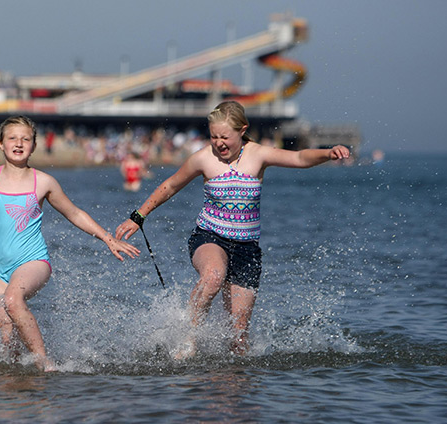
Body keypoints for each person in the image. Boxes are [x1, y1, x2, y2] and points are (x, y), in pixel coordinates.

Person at [115, 101, 350, 357]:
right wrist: (139, 216)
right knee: (214, 275)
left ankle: (231, 387)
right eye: (214, 136)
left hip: (246, 249)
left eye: (224, 137)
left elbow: (298, 157)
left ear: (242, 130)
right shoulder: (203, 159)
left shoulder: (258, 155)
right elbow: (170, 186)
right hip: (209, 237)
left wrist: (327, 153)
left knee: (238, 339)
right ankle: (188, 335)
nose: (219, 143)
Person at [0, 115, 140, 371]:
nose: (19, 143)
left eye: (25, 139)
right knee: (8, 340)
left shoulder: (43, 182)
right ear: (0, 144)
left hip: (33, 262)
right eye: (12, 138)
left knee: (13, 300)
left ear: (34, 146)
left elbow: (74, 213)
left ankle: (45, 364)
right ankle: (17, 393)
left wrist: (108, 239)